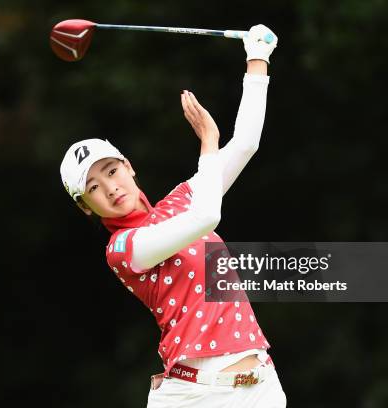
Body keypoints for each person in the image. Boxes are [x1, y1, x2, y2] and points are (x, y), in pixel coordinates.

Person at [60, 24, 286, 408]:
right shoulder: (123, 249)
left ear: (129, 167)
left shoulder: (180, 200)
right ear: (86, 206)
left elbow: (246, 143)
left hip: (261, 388)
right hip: (195, 397)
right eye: (94, 187)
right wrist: (208, 142)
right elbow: (206, 218)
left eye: (112, 171)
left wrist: (257, 59)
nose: (111, 187)